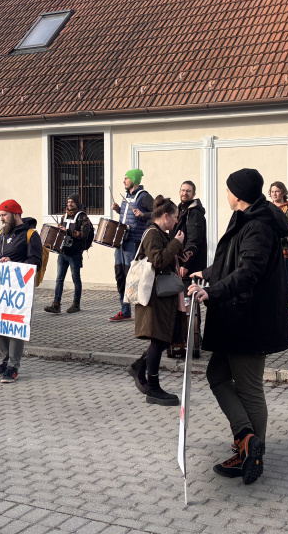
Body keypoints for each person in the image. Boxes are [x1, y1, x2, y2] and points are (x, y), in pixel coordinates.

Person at [187, 168, 288, 485]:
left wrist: (213, 291)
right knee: (217, 375)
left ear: (239, 194)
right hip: (234, 317)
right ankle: (246, 438)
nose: (226, 194)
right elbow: (231, 260)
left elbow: (248, 271)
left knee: (249, 387)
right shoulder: (246, 217)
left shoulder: (258, 225)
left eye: (229, 189)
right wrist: (206, 274)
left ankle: (251, 453)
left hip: (250, 319)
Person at [124, 196, 186, 405]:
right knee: (159, 339)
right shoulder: (152, 233)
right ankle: (153, 388)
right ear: (165, 216)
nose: (176, 221)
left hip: (162, 296)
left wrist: (179, 252)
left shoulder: (161, 233)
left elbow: (165, 257)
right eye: (175, 217)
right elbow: (158, 260)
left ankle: (139, 367)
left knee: (165, 338)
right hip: (154, 296)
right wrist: (176, 244)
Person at [0, 199, 43, 383]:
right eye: (0, 215)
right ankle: (5, 361)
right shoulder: (1, 233)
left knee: (15, 326)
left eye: (4, 215)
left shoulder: (31, 235)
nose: (1, 219)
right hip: (0, 287)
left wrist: (13, 264)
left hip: (19, 289)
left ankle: (14, 366)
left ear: (16, 214)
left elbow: (35, 262)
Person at [110, 169, 154, 322]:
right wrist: (118, 210)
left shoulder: (144, 197)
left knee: (133, 277)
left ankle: (142, 312)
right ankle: (125, 311)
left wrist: (144, 215)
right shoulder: (127, 196)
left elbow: (158, 213)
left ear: (134, 180)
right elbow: (128, 216)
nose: (124, 181)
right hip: (121, 241)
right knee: (120, 276)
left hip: (133, 242)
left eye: (126, 178)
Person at [169, 181, 207, 359]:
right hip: (180, 265)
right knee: (183, 304)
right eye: (183, 190)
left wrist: (185, 264)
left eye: (188, 191)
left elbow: (194, 241)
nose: (185, 193)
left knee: (189, 304)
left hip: (190, 268)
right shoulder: (181, 209)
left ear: (193, 193)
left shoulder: (194, 213)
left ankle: (193, 341)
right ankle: (185, 340)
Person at [44, 194, 92, 314]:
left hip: (74, 253)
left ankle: (76, 304)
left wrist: (68, 231)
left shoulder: (83, 217)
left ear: (77, 203)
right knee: (59, 279)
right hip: (63, 252)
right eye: (68, 201)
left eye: (72, 202)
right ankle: (56, 305)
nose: (69, 204)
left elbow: (84, 235)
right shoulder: (64, 216)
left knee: (76, 279)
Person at [268, 181, 288, 309]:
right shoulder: (268, 208)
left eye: (277, 191)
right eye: (272, 191)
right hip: (269, 250)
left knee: (284, 280)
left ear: (283, 192)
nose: (274, 194)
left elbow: (287, 228)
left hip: (284, 250)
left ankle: (286, 307)